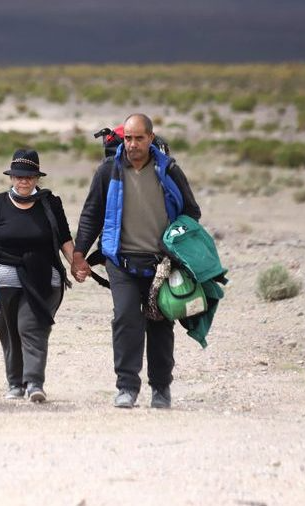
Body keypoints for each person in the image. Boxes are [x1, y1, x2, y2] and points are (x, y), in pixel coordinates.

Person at [70, 114, 201, 409]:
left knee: (160, 323)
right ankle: (127, 387)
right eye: (128, 138)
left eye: (138, 138)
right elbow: (92, 213)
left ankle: (161, 389)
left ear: (151, 138)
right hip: (121, 260)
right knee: (126, 318)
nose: (132, 144)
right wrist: (79, 253)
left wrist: (178, 245)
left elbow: (191, 212)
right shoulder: (109, 170)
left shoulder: (169, 171)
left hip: (162, 264)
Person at [0, 149, 73, 403]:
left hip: (41, 278)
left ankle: (34, 383)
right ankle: (15, 383)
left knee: (31, 326)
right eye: (19, 176)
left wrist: (77, 263)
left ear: (37, 178)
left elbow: (64, 240)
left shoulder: (51, 204)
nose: (24, 181)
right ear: (11, 177)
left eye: (29, 176)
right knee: (7, 332)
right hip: (1, 281)